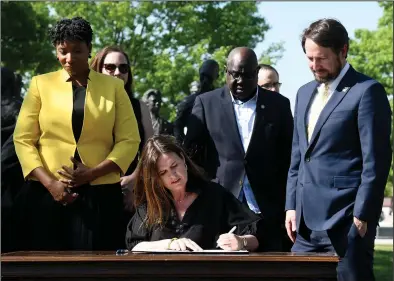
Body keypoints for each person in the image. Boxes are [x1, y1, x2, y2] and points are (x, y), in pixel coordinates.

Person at [12, 17, 141, 251]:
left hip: (100, 196)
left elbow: (129, 139)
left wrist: (91, 173)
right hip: (46, 194)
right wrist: (51, 184)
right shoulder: (40, 84)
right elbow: (23, 139)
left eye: (77, 51)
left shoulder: (113, 87)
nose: (69, 58)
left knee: (96, 267)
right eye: (63, 51)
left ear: (90, 49)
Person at [285, 19, 391, 281]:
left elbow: (375, 160)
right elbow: (299, 155)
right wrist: (290, 206)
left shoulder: (367, 92)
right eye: (309, 58)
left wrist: (363, 214)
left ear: (343, 50)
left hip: (347, 221)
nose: (313, 66)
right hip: (304, 226)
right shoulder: (302, 93)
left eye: (321, 58)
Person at [184, 47, 293, 251]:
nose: (240, 81)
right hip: (219, 206)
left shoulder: (279, 105)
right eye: (235, 74)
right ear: (226, 71)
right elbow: (191, 156)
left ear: (257, 72)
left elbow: (288, 158)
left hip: (266, 210)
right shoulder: (206, 103)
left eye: (248, 75)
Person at [126, 135, 261, 251]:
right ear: (156, 178)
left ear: (183, 160)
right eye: (163, 173)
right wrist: (169, 244)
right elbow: (134, 245)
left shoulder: (214, 195)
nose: (173, 175)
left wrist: (241, 241)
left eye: (174, 166)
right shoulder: (151, 203)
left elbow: (257, 234)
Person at [90, 46, 153, 189]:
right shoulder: (85, 103)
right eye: (110, 67)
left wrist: (136, 178)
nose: (117, 72)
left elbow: (150, 149)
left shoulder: (140, 107)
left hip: (131, 188)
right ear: (98, 70)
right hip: (91, 185)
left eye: (123, 68)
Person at [174, 59, 219, 143]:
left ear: (216, 76)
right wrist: (183, 146)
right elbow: (177, 125)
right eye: (203, 76)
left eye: (208, 77)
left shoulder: (220, 99)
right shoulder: (189, 101)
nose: (205, 80)